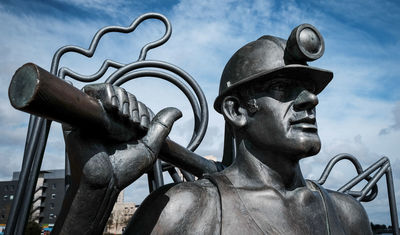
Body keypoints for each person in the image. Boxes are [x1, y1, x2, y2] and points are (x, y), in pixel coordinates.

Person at [53, 24, 372, 234]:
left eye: (309, 89)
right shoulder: (184, 211)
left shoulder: (347, 216)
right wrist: (93, 194)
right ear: (236, 111)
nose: (310, 99)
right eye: (281, 87)